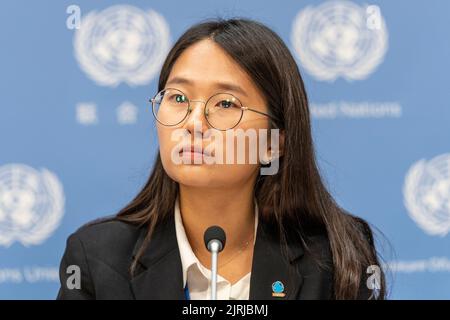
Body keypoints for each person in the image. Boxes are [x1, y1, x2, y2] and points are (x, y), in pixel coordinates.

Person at [57, 18, 386, 300]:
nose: (193, 123)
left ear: (274, 143)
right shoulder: (98, 259)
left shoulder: (333, 260)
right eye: (179, 98)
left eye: (226, 104)